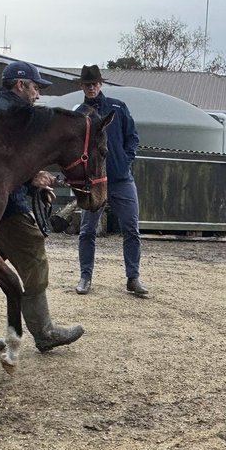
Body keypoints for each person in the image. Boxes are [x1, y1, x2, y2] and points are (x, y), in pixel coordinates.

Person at [0, 60, 84, 355]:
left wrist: (33, 178)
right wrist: (30, 178)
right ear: (20, 85)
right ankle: (44, 331)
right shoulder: (10, 115)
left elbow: (5, 162)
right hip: (7, 205)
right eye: (35, 87)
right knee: (33, 254)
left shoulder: (1, 111)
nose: (38, 94)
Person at [72, 64, 148, 297]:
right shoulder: (79, 113)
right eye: (87, 84)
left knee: (131, 229)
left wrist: (125, 161)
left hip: (121, 179)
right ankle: (85, 276)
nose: (92, 88)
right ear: (82, 86)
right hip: (93, 182)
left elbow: (132, 137)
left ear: (100, 84)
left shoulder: (117, 107)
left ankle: (133, 278)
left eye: (95, 84)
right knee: (87, 230)